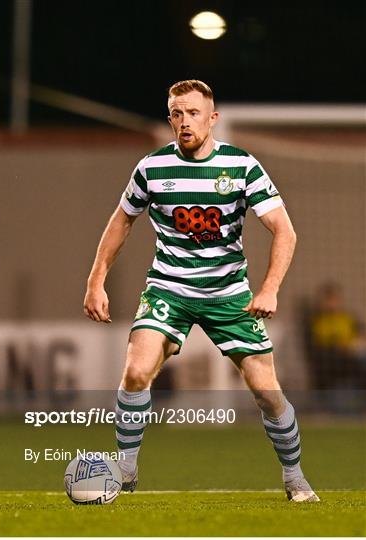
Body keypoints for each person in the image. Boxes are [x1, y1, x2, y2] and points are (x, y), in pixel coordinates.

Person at [83, 80, 319, 502]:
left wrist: (270, 289)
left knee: (267, 392)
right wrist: (95, 279)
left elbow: (285, 230)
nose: (184, 121)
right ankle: (125, 472)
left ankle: (295, 478)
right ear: (169, 117)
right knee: (136, 371)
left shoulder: (242, 166)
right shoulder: (151, 168)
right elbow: (122, 221)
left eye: (193, 113)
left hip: (229, 293)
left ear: (212, 119)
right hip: (168, 289)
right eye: (176, 113)